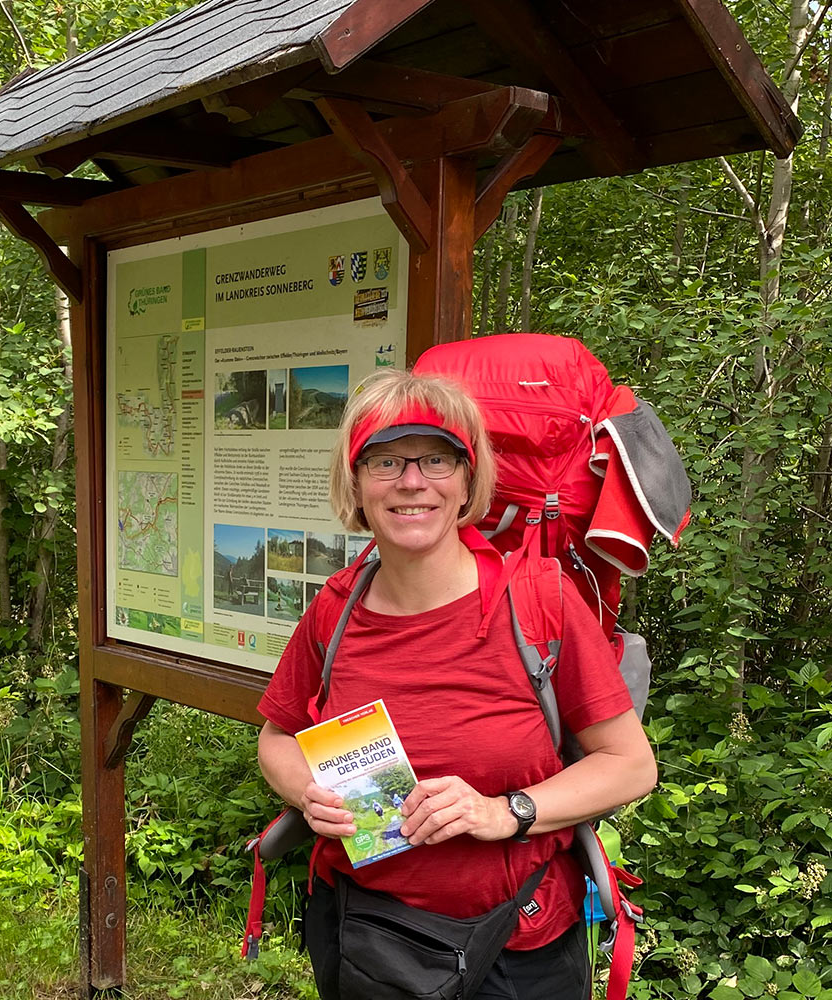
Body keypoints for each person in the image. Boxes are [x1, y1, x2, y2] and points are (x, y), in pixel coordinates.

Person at [256, 368, 656, 1000]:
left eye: (437, 459)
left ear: (468, 481)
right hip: (366, 932)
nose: (412, 481)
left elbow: (630, 765)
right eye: (385, 461)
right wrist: (309, 794)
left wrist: (505, 812)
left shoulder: (540, 601)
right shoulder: (335, 609)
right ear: (356, 483)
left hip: (515, 946)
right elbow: (278, 737)